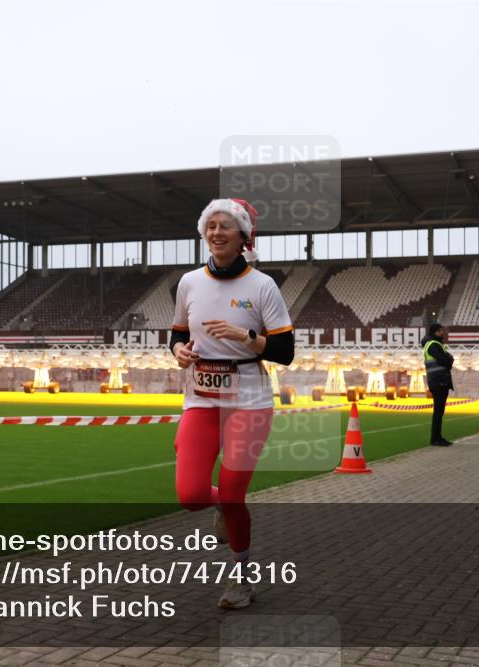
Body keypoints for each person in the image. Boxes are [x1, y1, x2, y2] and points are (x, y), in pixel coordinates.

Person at [169, 198, 294, 610]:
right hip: (200, 399)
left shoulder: (262, 286)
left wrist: (248, 339)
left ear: (243, 236)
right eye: (211, 225)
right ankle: (219, 502)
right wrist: (179, 352)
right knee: (189, 495)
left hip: (250, 401)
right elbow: (175, 333)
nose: (217, 232)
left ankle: (241, 577)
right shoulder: (189, 282)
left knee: (237, 494)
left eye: (226, 226)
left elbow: (285, 350)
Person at [420, 323, 454, 446]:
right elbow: (446, 361)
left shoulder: (433, 344)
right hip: (438, 381)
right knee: (438, 412)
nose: (442, 333)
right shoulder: (433, 345)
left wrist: (448, 358)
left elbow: (446, 359)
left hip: (437, 380)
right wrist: (450, 359)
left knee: (439, 411)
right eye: (440, 331)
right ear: (435, 332)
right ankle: (435, 438)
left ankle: (437, 437)